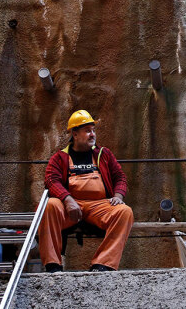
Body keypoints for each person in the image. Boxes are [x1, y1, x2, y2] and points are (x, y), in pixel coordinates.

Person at [38, 109, 134, 272]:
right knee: (50, 205)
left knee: (125, 212)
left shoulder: (104, 154)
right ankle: (53, 265)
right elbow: (51, 181)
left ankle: (103, 264)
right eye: (87, 131)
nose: (92, 134)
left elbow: (120, 176)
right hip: (70, 207)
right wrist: (68, 200)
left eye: (93, 130)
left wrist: (118, 196)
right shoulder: (60, 157)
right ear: (75, 134)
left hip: (99, 206)